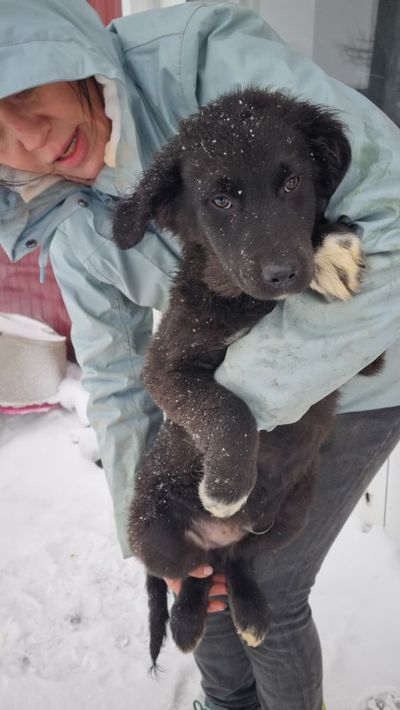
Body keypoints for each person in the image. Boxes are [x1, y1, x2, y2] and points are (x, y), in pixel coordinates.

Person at [1, 1, 400, 709]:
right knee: (203, 577)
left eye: (24, 89)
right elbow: (118, 381)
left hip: (359, 381)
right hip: (218, 402)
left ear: (63, 51)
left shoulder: (205, 64)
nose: (28, 137)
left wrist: (234, 413)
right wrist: (152, 537)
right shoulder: (66, 221)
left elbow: (394, 218)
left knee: (274, 585)